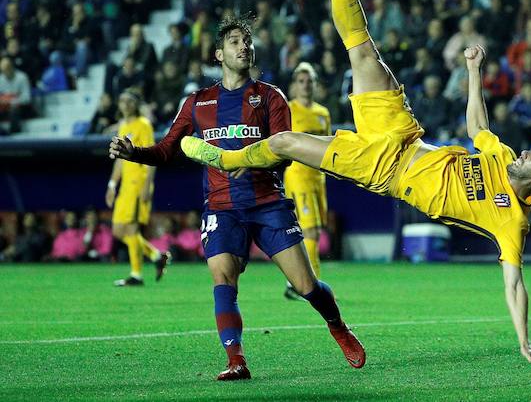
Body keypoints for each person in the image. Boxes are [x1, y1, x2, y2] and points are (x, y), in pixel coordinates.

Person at [179, 0, 531, 378]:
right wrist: (473, 72)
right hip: (403, 132)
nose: (528, 151)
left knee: (283, 141)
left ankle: (227, 158)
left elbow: (515, 283)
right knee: (363, 50)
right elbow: (477, 127)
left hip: (384, 170)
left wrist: (524, 340)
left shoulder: (512, 222)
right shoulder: (502, 156)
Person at [108, 20, 365, 380]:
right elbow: (168, 150)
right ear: (219, 54)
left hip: (267, 203)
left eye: (247, 41)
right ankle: (236, 360)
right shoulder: (199, 102)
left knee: (306, 285)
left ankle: (337, 325)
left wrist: (248, 159)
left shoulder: (271, 97)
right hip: (221, 207)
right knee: (223, 278)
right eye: (234, 41)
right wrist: (133, 152)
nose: (244, 46)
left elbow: (285, 152)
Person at [105, 89, 168, 286]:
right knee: (118, 231)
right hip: (125, 185)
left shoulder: (143, 125)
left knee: (131, 228)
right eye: (122, 100)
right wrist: (112, 185)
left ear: (136, 104)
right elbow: (119, 160)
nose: (125, 104)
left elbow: (151, 155)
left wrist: (148, 184)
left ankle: (136, 275)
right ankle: (157, 256)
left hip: (138, 182)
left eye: (129, 101)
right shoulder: (123, 126)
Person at [282, 62, 332, 300]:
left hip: (318, 177)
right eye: (301, 81)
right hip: (298, 176)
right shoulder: (288, 110)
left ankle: (297, 283)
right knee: (310, 230)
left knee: (315, 231)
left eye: (309, 80)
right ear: (294, 85)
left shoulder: (323, 114)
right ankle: (311, 287)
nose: (306, 85)